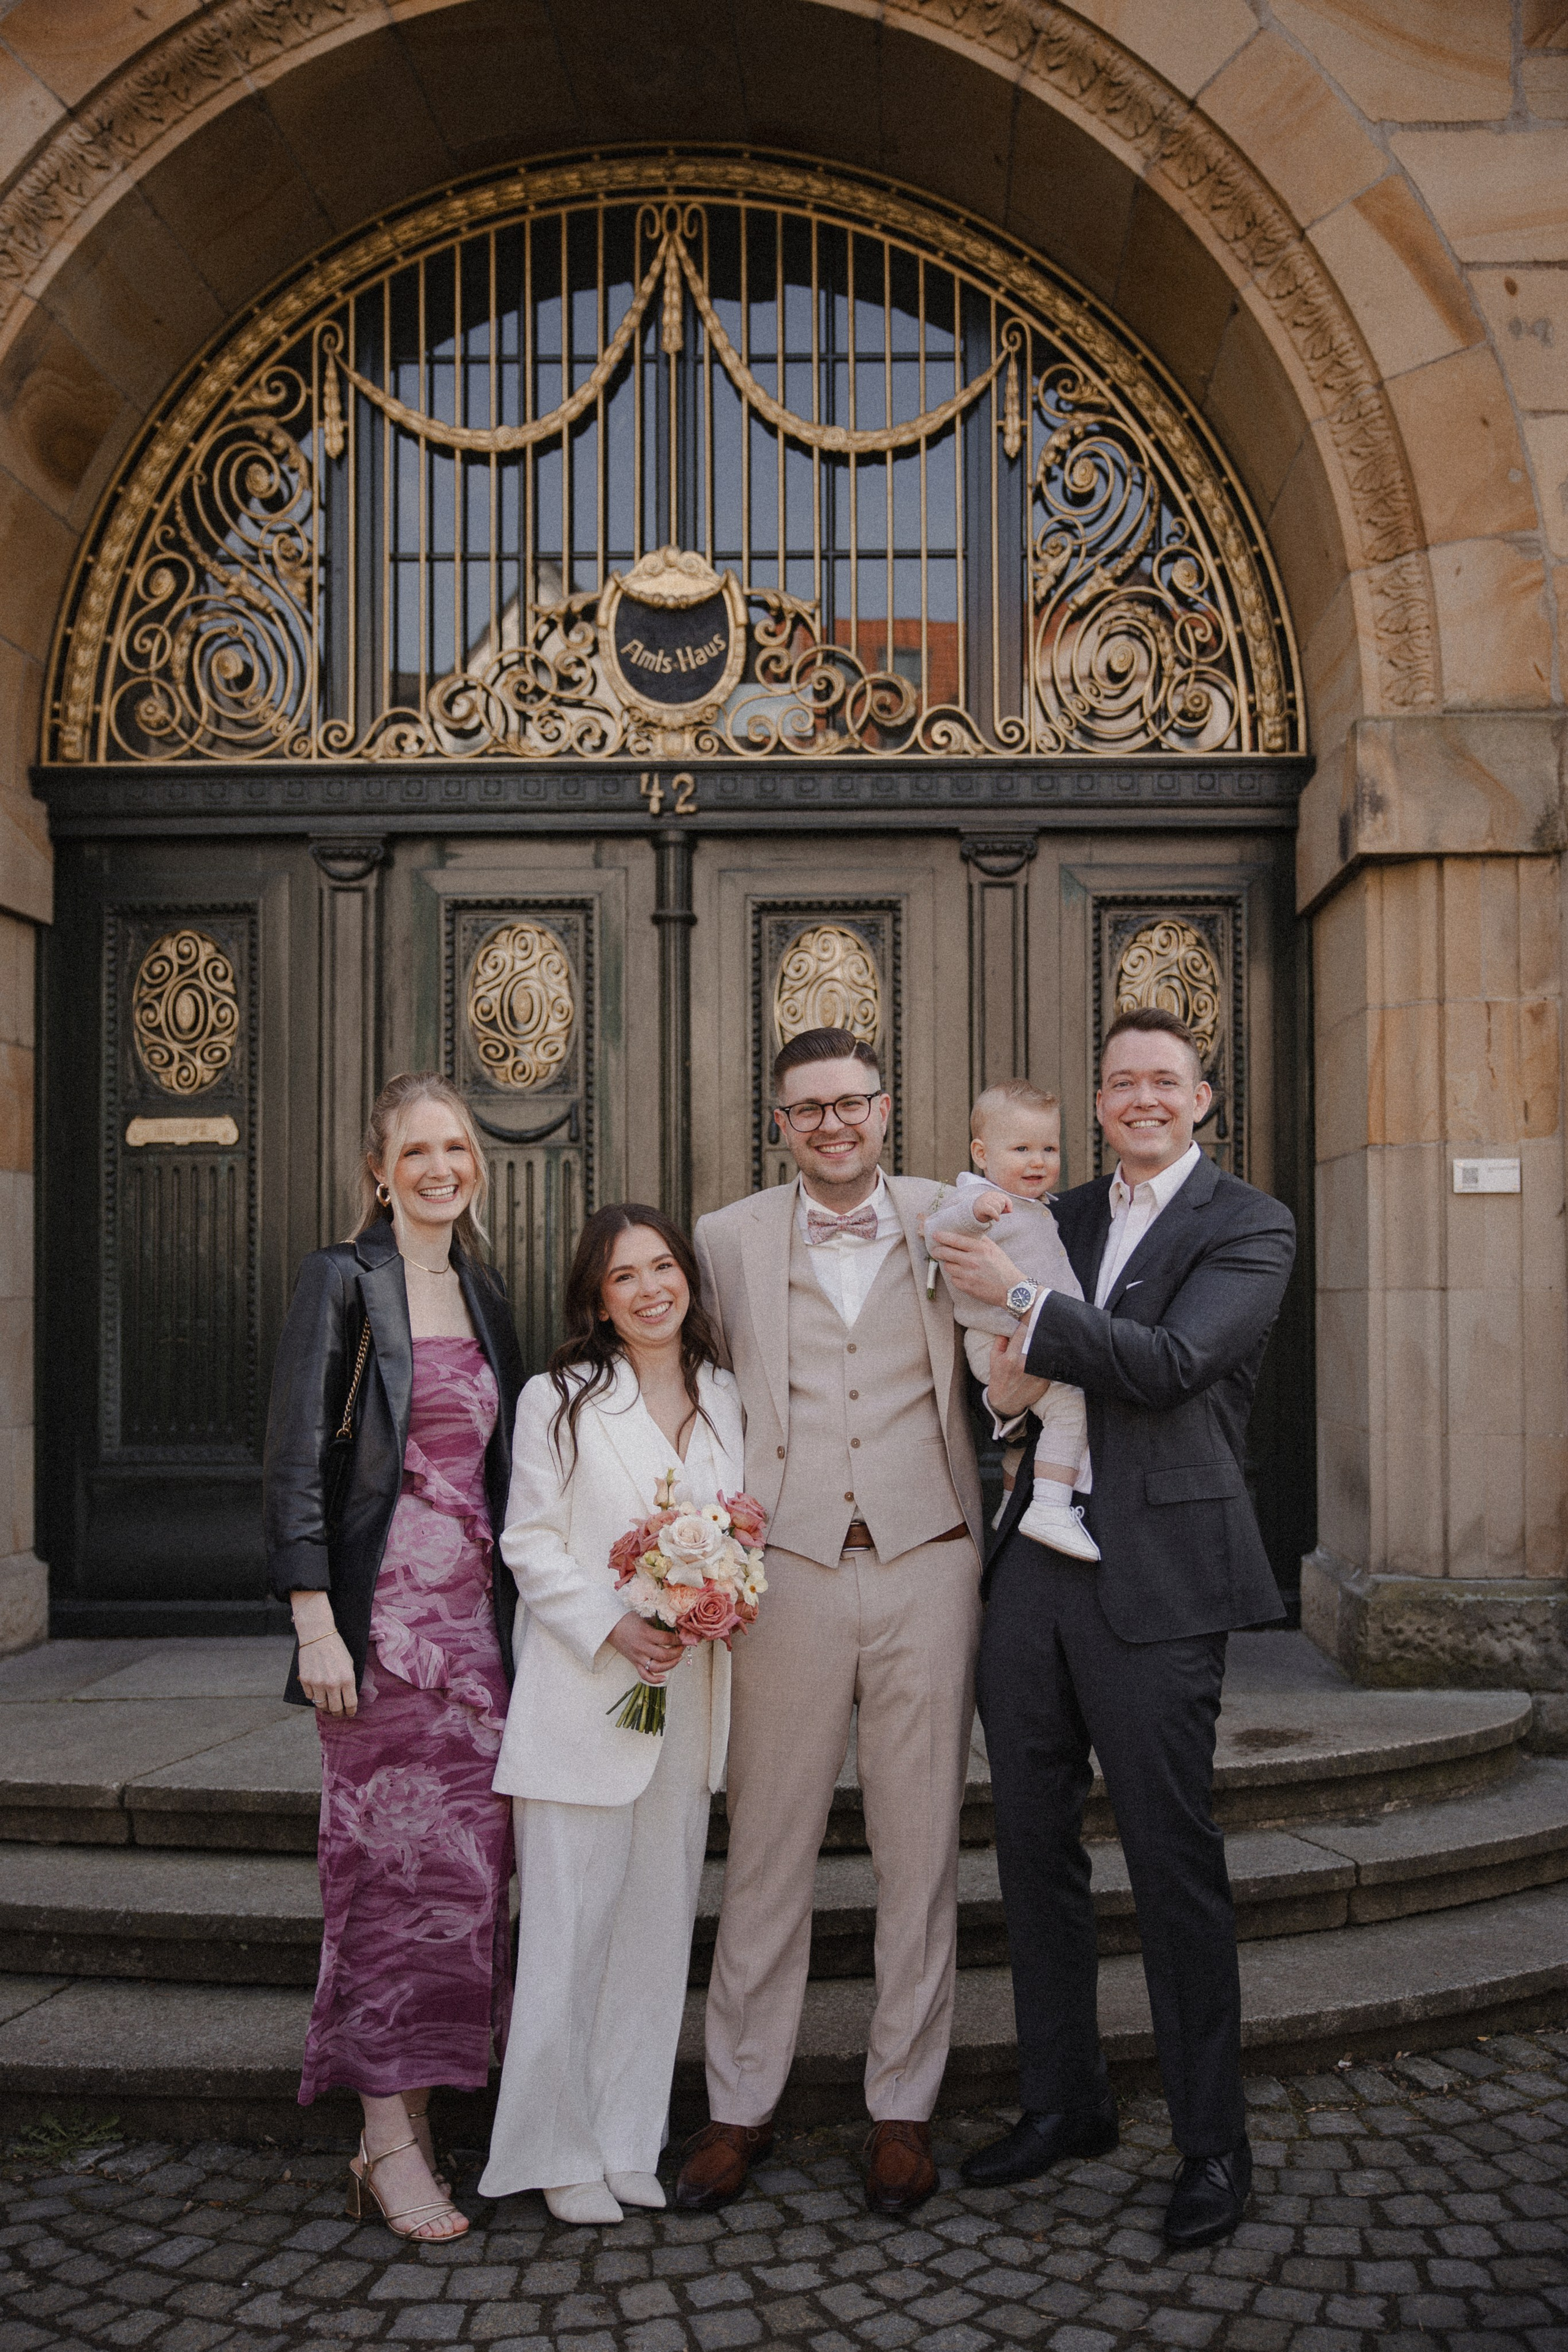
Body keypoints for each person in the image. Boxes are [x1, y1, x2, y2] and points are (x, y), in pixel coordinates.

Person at [926, 1006, 1295, 2249]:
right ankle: (1064, 2099)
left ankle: (1212, 2143)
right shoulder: (1062, 1210)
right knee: (1033, 1849)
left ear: (1200, 1099)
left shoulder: (1248, 1223)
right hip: (1033, 1566)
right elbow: (1000, 1365)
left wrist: (1022, 1302)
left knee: (1170, 1859)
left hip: (1159, 1578)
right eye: (1121, 1080)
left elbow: (1173, 1362)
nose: (1142, 1096)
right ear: (1097, 1103)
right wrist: (1006, 1368)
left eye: (1164, 1080)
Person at [676, 1027, 982, 2218]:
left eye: (850, 1103)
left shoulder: (952, 1215)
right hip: (786, 1570)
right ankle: (738, 2103)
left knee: (920, 1849)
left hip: (927, 1561)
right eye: (807, 1109)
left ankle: (902, 2107)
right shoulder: (725, 1239)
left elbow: (1020, 1345)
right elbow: (689, 1391)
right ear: (779, 1124)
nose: (832, 1124)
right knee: (765, 1847)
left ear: (883, 1108)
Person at [263, 1071, 525, 2243]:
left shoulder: (486, 1288)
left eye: (454, 1147)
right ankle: (386, 2137)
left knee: (462, 1889)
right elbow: (292, 1461)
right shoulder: (341, 1278)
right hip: (378, 1640)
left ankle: (409, 2127)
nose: (438, 1168)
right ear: (379, 1172)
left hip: (477, 1643)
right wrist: (315, 1621)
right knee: (382, 1884)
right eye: (415, 1151)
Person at [480, 1205, 743, 2227]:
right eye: (624, 1276)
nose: (649, 1289)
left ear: (687, 1277)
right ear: (596, 1299)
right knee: (567, 1941)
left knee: (653, 1939)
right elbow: (529, 1542)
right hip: (584, 1700)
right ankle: (553, 2150)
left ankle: (628, 2141)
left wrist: (719, 1592)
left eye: (662, 1267)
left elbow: (737, 1527)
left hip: (686, 1699)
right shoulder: (559, 1398)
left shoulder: (724, 1393)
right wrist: (615, 1625)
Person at [925, 1079, 1096, 1558]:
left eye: (1049, 1149)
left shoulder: (1035, 1205)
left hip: (1025, 1333)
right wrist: (976, 1212)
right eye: (1021, 1149)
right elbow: (936, 1232)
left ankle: (1009, 1505)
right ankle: (1050, 1507)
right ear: (981, 1154)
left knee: (1026, 1436)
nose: (1038, 1161)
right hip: (998, 1340)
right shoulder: (974, 1197)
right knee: (1071, 1408)